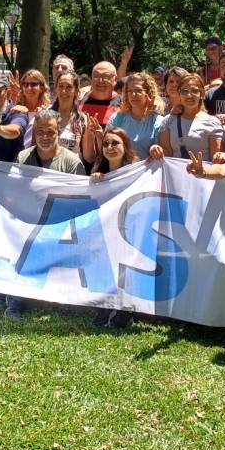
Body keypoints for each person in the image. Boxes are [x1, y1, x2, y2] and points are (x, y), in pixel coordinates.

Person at [6, 109, 87, 319]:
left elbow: (80, 199)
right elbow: (15, 191)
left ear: (58, 132)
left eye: (50, 132)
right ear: (34, 132)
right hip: (30, 221)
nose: (45, 136)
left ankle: (63, 298)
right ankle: (14, 301)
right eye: (40, 131)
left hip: (60, 223)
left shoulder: (71, 161)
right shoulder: (23, 157)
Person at [89, 126, 141, 328]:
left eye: (115, 143)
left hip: (130, 229)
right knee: (105, 269)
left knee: (126, 270)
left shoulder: (138, 169)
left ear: (125, 146)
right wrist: (95, 183)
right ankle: (104, 307)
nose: (110, 147)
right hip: (106, 229)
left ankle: (125, 311)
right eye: (106, 143)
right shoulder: (98, 171)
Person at [158, 73, 224, 160]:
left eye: (194, 91)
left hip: (203, 172)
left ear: (202, 94)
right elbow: (166, 155)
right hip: (175, 173)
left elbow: (215, 160)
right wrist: (156, 149)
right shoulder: (168, 121)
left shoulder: (213, 122)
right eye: (184, 91)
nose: (189, 95)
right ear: (179, 94)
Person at [106, 72, 163, 160]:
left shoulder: (159, 121)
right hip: (121, 171)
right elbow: (106, 147)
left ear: (149, 93)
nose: (133, 95)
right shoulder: (117, 118)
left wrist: (155, 149)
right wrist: (99, 136)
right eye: (130, 91)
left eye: (138, 91)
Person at [50, 70, 95, 163]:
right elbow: (35, 150)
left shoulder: (83, 120)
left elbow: (89, 158)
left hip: (73, 174)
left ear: (76, 91)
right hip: (49, 173)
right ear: (55, 89)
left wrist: (89, 134)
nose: (63, 91)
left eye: (69, 87)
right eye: (61, 86)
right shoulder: (44, 116)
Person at [13, 69, 51, 145]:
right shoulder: (15, 109)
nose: (29, 88)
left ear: (41, 88)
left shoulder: (48, 111)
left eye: (33, 84)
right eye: (25, 84)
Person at [79, 61, 122, 127]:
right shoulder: (79, 100)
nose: (100, 81)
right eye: (96, 76)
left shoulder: (123, 104)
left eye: (106, 76)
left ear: (115, 79)